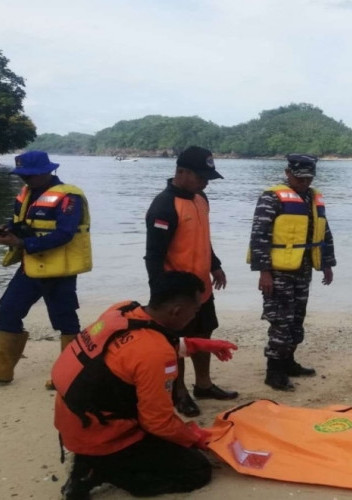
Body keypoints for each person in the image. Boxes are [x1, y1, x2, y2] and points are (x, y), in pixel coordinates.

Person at [53, 271, 238, 499]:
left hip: (75, 419)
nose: (195, 315)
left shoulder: (122, 310)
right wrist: (195, 437)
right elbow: (158, 423)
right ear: (177, 311)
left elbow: (135, 347)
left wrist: (199, 344)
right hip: (103, 434)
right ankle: (103, 470)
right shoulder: (156, 353)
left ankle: (90, 462)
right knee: (196, 470)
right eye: (196, 309)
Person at [145, 145, 236, 417]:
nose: (205, 182)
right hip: (176, 292)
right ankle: (179, 391)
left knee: (203, 334)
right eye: (200, 177)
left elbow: (202, 237)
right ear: (181, 171)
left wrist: (215, 266)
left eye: (208, 178)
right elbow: (154, 255)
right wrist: (160, 294)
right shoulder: (163, 206)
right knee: (177, 343)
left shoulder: (201, 199)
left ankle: (204, 385)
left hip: (201, 289)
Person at [0, 151, 91, 387]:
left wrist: (21, 243)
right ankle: (3, 370)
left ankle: (69, 376)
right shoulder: (26, 194)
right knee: (7, 311)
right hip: (31, 265)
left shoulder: (69, 197)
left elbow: (65, 233)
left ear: (45, 172)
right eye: (22, 175)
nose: (25, 180)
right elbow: (20, 223)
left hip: (60, 270)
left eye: (29, 176)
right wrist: (8, 230)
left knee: (65, 321)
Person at [248, 153, 336, 391]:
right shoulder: (271, 198)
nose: (304, 183)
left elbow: (324, 233)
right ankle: (273, 371)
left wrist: (327, 263)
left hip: (303, 269)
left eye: (308, 178)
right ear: (288, 173)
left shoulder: (313, 198)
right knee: (280, 320)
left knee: (297, 319)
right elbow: (259, 236)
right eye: (299, 178)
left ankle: (288, 362)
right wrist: (263, 272)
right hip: (278, 271)